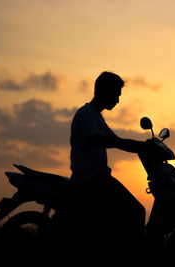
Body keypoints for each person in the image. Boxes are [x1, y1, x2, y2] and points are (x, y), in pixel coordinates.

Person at [69, 71, 146, 264]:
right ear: (105, 91)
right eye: (117, 94)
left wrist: (143, 146)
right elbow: (100, 139)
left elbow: (116, 140)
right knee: (136, 211)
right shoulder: (87, 114)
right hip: (91, 179)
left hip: (96, 177)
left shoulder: (95, 116)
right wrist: (134, 146)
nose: (118, 100)